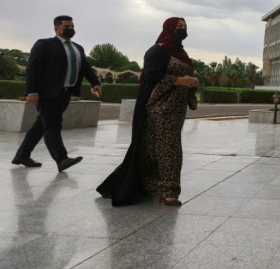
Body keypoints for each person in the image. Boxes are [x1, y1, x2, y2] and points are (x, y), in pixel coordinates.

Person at [97, 17, 198, 206]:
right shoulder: (156, 51)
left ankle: (146, 184)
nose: (182, 30)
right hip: (157, 107)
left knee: (149, 149)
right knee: (170, 148)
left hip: (176, 109)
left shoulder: (181, 53)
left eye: (184, 27)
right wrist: (179, 81)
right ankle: (169, 191)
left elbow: (186, 75)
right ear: (168, 29)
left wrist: (192, 83)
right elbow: (151, 76)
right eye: (178, 27)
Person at [12, 15, 102, 172]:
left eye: (72, 26)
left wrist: (95, 83)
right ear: (56, 28)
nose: (71, 29)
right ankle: (62, 159)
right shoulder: (44, 44)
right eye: (67, 26)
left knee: (41, 125)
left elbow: (85, 67)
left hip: (65, 93)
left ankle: (22, 155)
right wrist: (32, 92)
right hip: (47, 93)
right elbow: (32, 69)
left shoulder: (78, 48)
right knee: (52, 126)